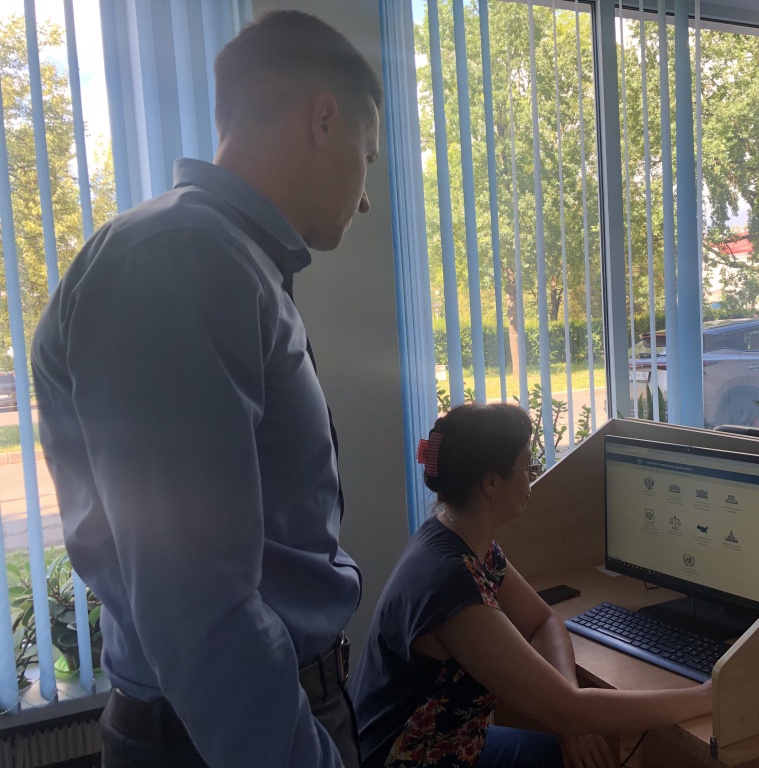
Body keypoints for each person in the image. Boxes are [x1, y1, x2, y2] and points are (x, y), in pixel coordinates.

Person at [31, 11, 380, 768]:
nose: (364, 199)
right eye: (368, 154)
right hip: (226, 735)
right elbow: (197, 601)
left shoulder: (224, 257)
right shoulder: (183, 258)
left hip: (244, 716)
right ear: (323, 118)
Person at [350, 404, 713, 768]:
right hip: (409, 758)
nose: (532, 477)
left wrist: (566, 703)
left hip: (455, 743)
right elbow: (568, 710)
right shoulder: (451, 584)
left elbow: (543, 621)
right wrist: (704, 697)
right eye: (527, 466)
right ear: (491, 483)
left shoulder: (461, 539)